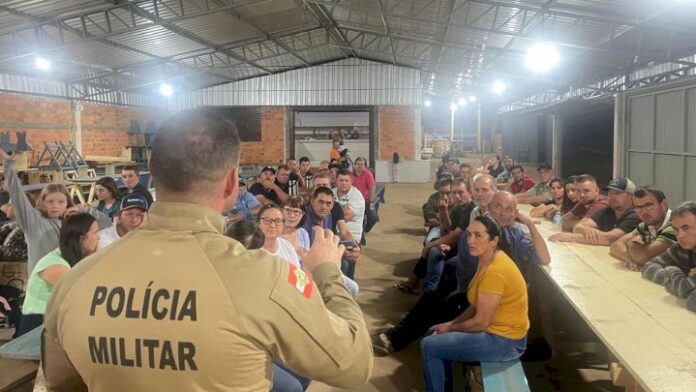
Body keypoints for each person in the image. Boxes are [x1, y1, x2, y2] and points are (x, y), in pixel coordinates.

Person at [41, 108, 373, 391]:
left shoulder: (77, 280)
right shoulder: (263, 277)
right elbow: (353, 363)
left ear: (151, 173)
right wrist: (328, 272)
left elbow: (62, 383)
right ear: (231, 182)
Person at [375, 192, 549, 356]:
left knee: (438, 302)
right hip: (475, 290)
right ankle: (399, 337)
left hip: (499, 297)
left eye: (509, 209)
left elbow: (544, 258)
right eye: (498, 207)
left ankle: (399, 337)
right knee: (436, 299)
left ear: (515, 213)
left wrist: (530, 224)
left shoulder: (515, 233)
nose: (503, 213)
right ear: (489, 207)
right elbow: (471, 277)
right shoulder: (475, 233)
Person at [420, 216, 529, 392]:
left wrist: (449, 329)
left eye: (478, 235)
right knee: (433, 332)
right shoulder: (486, 258)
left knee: (429, 346)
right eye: (469, 234)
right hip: (497, 334)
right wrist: (450, 324)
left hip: (504, 341)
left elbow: (480, 322)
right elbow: (476, 305)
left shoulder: (495, 272)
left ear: (494, 241)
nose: (470, 240)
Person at [1, 148, 110, 274]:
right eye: (50, 201)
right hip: (42, 283)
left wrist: (81, 209)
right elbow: (17, 194)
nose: (55, 206)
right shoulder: (33, 221)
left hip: (67, 280)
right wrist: (8, 166)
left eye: (61, 202)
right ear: (42, 203)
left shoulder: (74, 223)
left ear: (67, 203)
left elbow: (106, 222)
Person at [15, 213, 100, 337]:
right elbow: (82, 295)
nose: (99, 238)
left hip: (58, 322)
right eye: (95, 232)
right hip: (38, 326)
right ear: (81, 237)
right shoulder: (53, 264)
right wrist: (95, 257)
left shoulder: (76, 260)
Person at [549, 177, 641, 245]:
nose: (612, 197)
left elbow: (610, 239)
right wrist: (587, 230)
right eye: (610, 192)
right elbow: (578, 227)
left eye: (617, 193)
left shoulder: (636, 215)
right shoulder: (608, 211)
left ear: (631, 196)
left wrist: (570, 237)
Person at [610, 186, 676, 271]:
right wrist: (629, 259)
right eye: (638, 207)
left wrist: (631, 243)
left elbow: (641, 257)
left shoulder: (675, 226)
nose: (643, 212)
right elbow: (615, 245)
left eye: (648, 205)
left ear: (664, 204)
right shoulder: (646, 225)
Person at [302, 187, 361, 280]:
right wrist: (337, 252)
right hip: (307, 259)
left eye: (328, 203)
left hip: (323, 254)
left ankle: (344, 291)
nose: (324, 207)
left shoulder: (328, 215)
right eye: (320, 202)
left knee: (351, 253)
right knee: (344, 264)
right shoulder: (304, 216)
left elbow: (344, 232)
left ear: (332, 205)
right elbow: (309, 248)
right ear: (312, 201)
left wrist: (354, 247)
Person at [642, 201, 696, 299]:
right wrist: (673, 276)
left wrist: (673, 271)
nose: (680, 236)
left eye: (686, 228)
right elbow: (648, 267)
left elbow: (692, 300)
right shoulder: (680, 248)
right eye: (676, 229)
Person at [333, 169, 365, 242]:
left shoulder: (357, 196)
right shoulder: (331, 192)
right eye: (341, 180)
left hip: (351, 236)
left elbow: (346, 216)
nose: (343, 183)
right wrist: (341, 209)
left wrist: (331, 211)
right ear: (336, 181)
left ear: (351, 181)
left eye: (346, 180)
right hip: (334, 235)